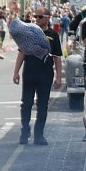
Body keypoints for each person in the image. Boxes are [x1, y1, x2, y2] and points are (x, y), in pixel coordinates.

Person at [12, 10, 63, 145]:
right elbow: (22, 52)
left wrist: (59, 77)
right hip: (29, 72)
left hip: (45, 74)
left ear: (48, 18)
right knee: (26, 103)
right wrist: (16, 72)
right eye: (36, 16)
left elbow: (57, 57)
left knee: (42, 105)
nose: (37, 19)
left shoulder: (53, 35)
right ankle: (25, 131)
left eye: (40, 17)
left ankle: (39, 135)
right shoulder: (29, 32)